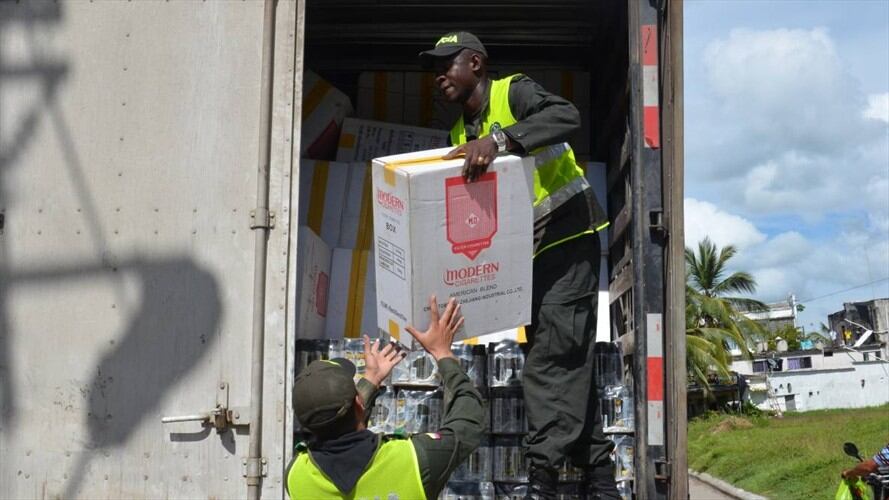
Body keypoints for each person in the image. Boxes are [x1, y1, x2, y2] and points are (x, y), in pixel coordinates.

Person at [419, 32, 617, 499]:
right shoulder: (457, 137)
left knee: (551, 360)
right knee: (564, 361)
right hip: (525, 258)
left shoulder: (514, 93)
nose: (440, 75)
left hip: (568, 237)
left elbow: (567, 115)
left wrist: (502, 139)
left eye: (449, 64)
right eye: (435, 68)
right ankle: (602, 479)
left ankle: (543, 480)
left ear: (476, 64)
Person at [286, 297, 484, 500]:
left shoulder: (296, 476)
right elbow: (468, 423)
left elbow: (338, 423)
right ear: (358, 404)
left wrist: (370, 381)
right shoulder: (414, 460)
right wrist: (442, 352)